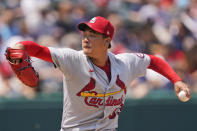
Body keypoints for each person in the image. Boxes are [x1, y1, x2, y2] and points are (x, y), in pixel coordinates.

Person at [9, 16, 190, 131]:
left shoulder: (124, 63)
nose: (86, 39)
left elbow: (154, 61)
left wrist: (176, 80)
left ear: (107, 41)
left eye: (93, 35)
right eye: (85, 34)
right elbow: (38, 50)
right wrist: (20, 47)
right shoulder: (72, 59)